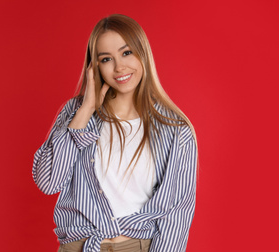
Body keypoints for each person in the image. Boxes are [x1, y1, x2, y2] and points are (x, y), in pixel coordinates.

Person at [32, 14, 198, 252]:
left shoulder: (175, 130)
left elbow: (177, 214)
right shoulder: (75, 113)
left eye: (126, 52)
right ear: (94, 66)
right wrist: (87, 109)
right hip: (80, 246)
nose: (119, 67)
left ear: (143, 53)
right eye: (107, 58)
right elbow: (49, 182)